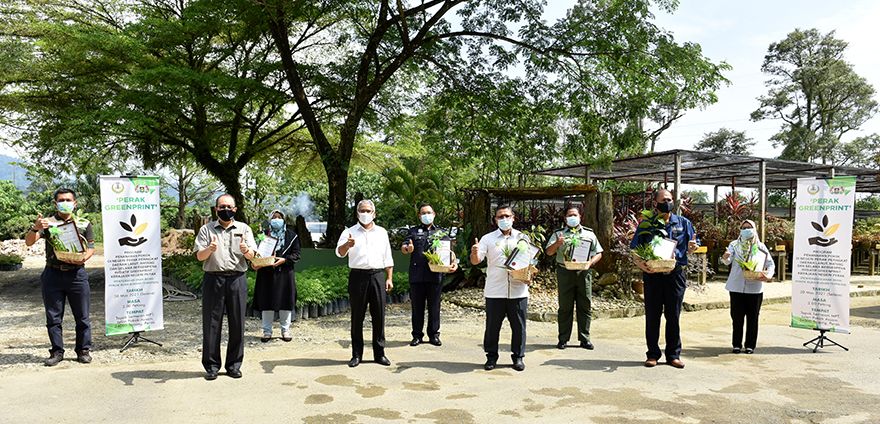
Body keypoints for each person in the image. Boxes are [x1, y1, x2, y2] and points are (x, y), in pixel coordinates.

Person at [25, 188, 96, 367]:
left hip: (77, 275)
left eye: (68, 200)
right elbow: (29, 241)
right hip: (53, 274)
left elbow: (91, 247)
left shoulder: (83, 223)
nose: (65, 203)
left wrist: (82, 258)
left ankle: (83, 350)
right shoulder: (48, 223)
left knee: (83, 316)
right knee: (53, 317)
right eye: (61, 200)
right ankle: (57, 351)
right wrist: (36, 227)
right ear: (55, 203)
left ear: (75, 203)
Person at [630, 189, 697, 369]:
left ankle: (673, 355)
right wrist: (641, 265)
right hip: (653, 275)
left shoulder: (683, 223)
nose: (667, 202)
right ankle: (652, 354)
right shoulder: (647, 225)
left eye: (669, 199)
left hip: (675, 275)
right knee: (653, 315)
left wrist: (692, 247)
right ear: (655, 203)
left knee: (673, 316)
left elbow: (692, 246)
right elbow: (635, 250)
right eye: (663, 200)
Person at [194, 194, 258, 380]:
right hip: (213, 279)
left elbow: (253, 256)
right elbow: (199, 256)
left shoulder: (244, 229)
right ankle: (211, 366)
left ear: (235, 209)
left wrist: (247, 251)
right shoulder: (206, 230)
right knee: (211, 324)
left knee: (237, 323)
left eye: (229, 206)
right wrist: (210, 249)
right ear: (216, 209)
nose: (225, 210)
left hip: (237, 279)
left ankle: (234, 365)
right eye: (222, 207)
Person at [470, 205, 531, 372]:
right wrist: (474, 252)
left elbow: (530, 261)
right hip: (495, 290)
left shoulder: (523, 238)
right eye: (500, 217)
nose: (504, 219)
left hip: (518, 291)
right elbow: (476, 261)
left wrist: (529, 275)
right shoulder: (488, 239)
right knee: (492, 327)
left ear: (513, 218)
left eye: (507, 216)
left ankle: (518, 357)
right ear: (495, 220)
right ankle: (491, 357)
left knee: (519, 326)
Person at [336, 200, 394, 367]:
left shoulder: (382, 232)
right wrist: (347, 245)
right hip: (358, 276)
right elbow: (339, 252)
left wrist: (389, 278)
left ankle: (379, 354)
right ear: (357, 213)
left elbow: (387, 257)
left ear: (374, 213)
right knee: (357, 317)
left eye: (368, 210)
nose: (365, 213)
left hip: (377, 275)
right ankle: (356, 355)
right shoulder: (349, 232)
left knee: (379, 316)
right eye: (362, 210)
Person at [545, 205, 603, 350]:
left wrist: (590, 263)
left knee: (585, 305)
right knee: (565, 307)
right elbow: (549, 252)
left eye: (575, 215)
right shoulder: (558, 234)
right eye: (569, 215)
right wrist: (557, 243)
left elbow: (599, 253)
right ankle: (563, 339)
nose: (572, 218)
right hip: (565, 272)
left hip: (583, 272)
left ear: (580, 217)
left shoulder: (589, 234)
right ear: (565, 218)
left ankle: (585, 339)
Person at [401, 203, 457, 347]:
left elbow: (449, 251)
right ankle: (417, 335)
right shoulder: (413, 231)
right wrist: (408, 249)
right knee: (417, 308)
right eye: (423, 213)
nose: (426, 215)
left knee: (434, 307)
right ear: (419, 216)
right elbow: (404, 247)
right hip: (417, 276)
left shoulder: (441, 233)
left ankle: (434, 335)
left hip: (435, 275)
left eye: (429, 212)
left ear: (434, 214)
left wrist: (453, 263)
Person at [721, 219, 775, 354]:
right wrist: (725, 257)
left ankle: (750, 345)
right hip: (736, 286)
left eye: (749, 227)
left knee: (753, 318)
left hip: (755, 288)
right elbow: (727, 261)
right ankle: (736, 344)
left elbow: (770, 264)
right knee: (737, 317)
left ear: (754, 229)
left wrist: (767, 276)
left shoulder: (761, 247)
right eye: (743, 227)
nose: (746, 230)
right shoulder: (734, 245)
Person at [252, 210, 301, 343]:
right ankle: (267, 331)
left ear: (284, 220)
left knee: (285, 301)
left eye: (279, 217)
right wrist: (258, 261)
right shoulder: (263, 235)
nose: (277, 220)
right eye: (274, 217)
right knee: (266, 301)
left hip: (285, 273)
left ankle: (285, 330)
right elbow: (256, 251)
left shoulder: (292, 236)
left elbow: (297, 254)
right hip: (266, 273)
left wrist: (285, 260)